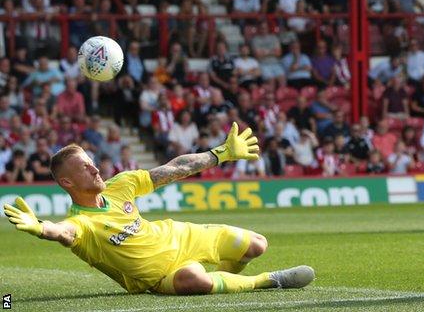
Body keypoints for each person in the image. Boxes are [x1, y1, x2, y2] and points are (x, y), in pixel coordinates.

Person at [3, 122, 314, 295]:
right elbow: (65, 233)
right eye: (85, 168)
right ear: (68, 183)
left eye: (92, 162)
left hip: (180, 236)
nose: (95, 169)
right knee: (197, 281)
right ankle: (269, 281)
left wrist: (220, 154)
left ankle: (226, 275)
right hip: (161, 277)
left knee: (257, 245)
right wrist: (42, 227)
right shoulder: (83, 223)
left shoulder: (120, 184)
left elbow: (174, 168)